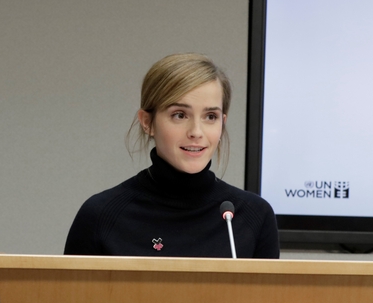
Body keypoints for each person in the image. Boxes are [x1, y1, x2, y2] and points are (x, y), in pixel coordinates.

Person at [65, 53, 279, 258]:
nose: (196, 131)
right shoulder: (100, 215)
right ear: (147, 122)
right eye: (179, 115)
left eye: (210, 116)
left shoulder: (253, 216)